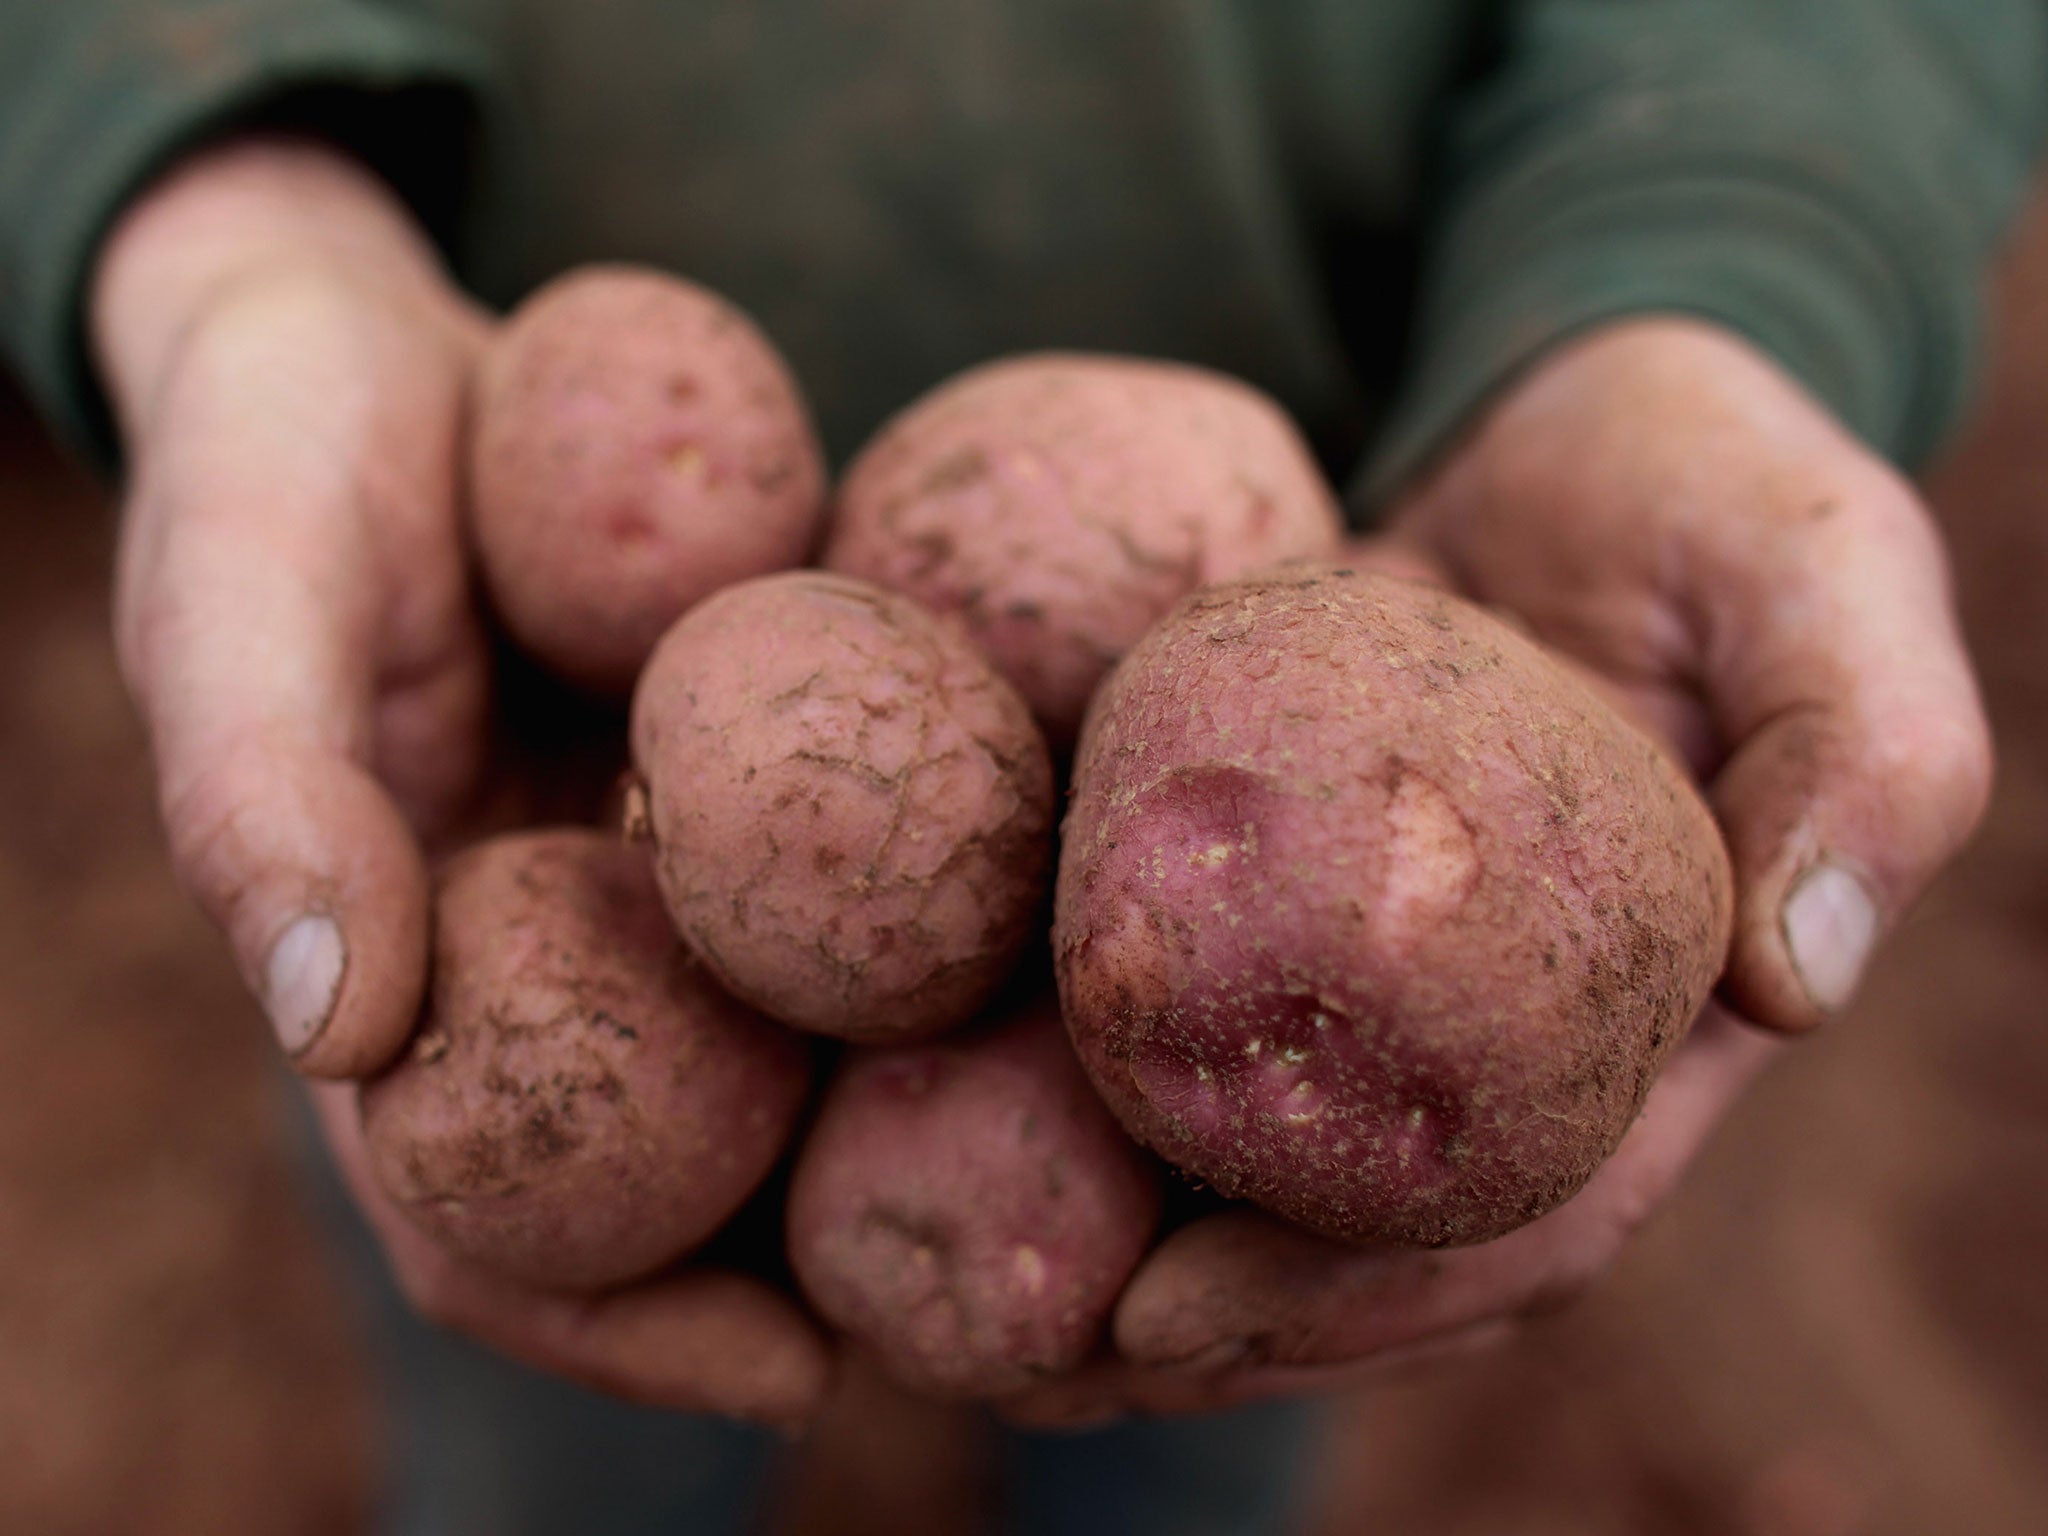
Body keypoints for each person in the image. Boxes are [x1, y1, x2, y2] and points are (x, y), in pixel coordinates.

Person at [4, 1, 2044, 1530]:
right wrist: (231, 201)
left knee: (1191, 1376)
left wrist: (1723, 262)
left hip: (1388, 480)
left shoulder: (1268, 723)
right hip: (507, 698)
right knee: (556, 1426)